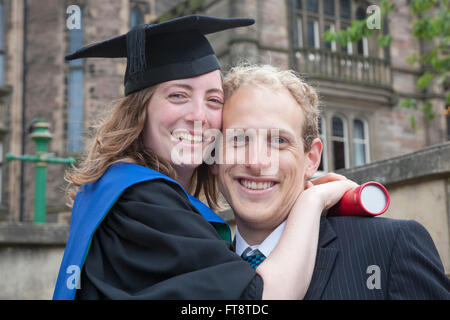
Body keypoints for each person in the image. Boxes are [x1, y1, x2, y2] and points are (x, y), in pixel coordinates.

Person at [53, 15, 357, 300]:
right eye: (178, 95)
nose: (199, 116)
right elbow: (261, 299)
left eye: (213, 100)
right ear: (140, 111)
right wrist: (312, 201)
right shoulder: (141, 201)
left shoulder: (122, 195)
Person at [214, 64, 450, 299]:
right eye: (239, 139)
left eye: (279, 141)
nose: (256, 163)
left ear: (312, 158)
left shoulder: (390, 247)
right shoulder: (200, 270)